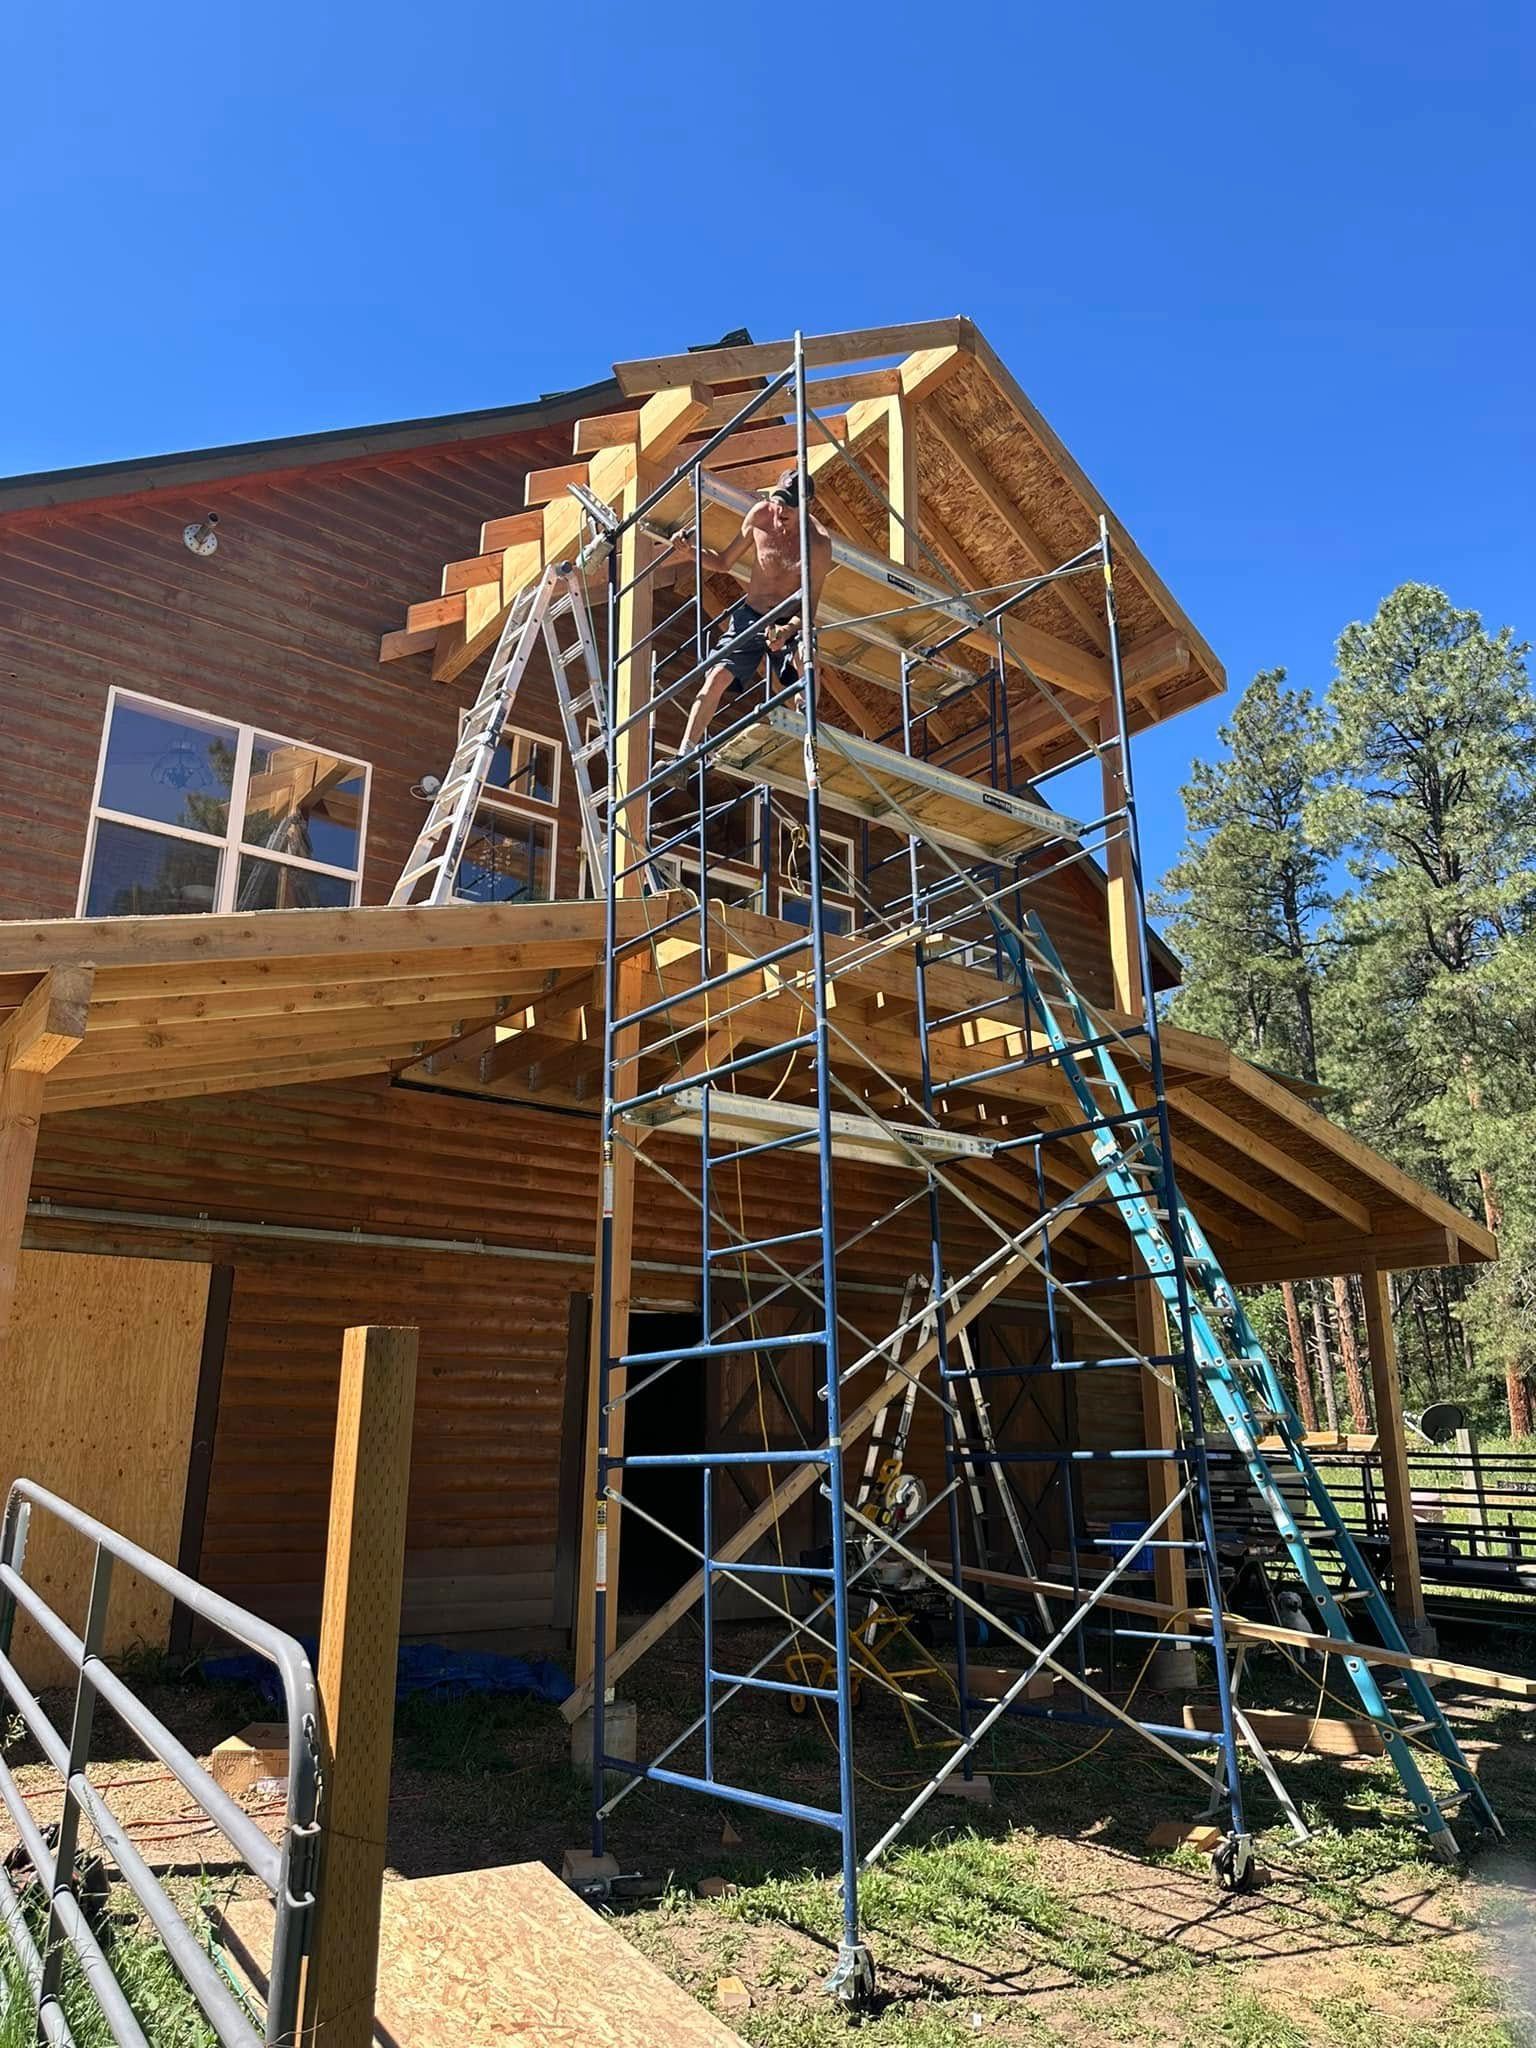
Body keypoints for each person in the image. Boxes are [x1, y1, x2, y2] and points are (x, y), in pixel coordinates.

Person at [674, 468, 833, 752]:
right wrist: (690, 552)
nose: (780, 510)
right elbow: (723, 562)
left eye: (789, 505)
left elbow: (810, 607)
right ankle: (684, 753)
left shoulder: (818, 544)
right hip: (752, 614)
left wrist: (786, 630)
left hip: (789, 618)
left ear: (806, 505)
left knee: (807, 656)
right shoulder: (761, 515)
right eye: (779, 500)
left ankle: (805, 728)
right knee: (717, 675)